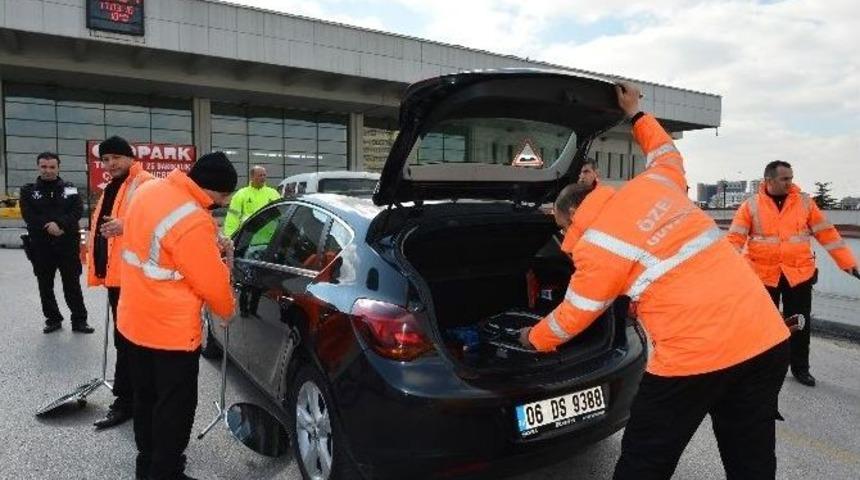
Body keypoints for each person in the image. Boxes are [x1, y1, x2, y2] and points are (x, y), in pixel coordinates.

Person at [520, 82, 791, 479]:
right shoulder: (654, 183)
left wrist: (533, 339)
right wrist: (636, 114)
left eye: (562, 228)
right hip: (765, 340)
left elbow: (574, 314)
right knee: (750, 457)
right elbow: (665, 152)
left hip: (693, 360)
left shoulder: (596, 246)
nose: (564, 237)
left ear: (574, 214)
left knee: (646, 459)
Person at [118, 152, 237, 480]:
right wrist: (227, 310)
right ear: (211, 190)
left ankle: (146, 465)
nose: (224, 202)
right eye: (225, 195)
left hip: (134, 321)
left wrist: (210, 242)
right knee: (175, 407)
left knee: (146, 399)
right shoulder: (193, 219)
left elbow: (157, 246)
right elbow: (211, 282)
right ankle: (165, 472)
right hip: (170, 333)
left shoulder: (149, 191)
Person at [727, 161, 858, 387]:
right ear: (769, 180)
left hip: (798, 275)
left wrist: (848, 263)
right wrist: (723, 272)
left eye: (791, 177)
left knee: (799, 323)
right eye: (784, 179)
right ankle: (761, 369)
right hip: (763, 275)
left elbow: (827, 234)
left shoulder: (805, 203)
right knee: (763, 326)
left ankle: (800, 369)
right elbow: (734, 240)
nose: (790, 182)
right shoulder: (751, 206)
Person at [86, 136, 154, 429]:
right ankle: (132, 399)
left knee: (131, 343)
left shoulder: (145, 183)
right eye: (106, 159)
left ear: (130, 157)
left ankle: (129, 402)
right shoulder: (113, 186)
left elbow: (159, 220)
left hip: (135, 280)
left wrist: (127, 224)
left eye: (116, 157)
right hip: (117, 278)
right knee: (125, 341)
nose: (110, 164)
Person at [20, 152, 91, 334]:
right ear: (38, 167)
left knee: (72, 284)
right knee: (45, 285)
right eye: (44, 166)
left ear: (58, 168)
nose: (48, 170)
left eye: (52, 167)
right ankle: (53, 319)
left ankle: (79, 320)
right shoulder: (28, 190)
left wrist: (59, 224)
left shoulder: (69, 188)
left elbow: (77, 210)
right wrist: (48, 226)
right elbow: (29, 215)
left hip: (67, 244)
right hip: (41, 247)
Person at [222, 165, 281, 236]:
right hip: (249, 237)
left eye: (264, 175)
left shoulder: (274, 193)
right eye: (260, 175)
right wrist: (230, 236)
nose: (263, 178)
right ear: (252, 177)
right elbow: (232, 217)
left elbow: (281, 214)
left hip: (270, 237)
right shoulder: (240, 194)